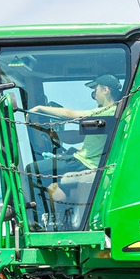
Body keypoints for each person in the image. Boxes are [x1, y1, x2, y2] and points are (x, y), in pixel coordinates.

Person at [25, 74, 120, 226]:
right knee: (51, 180)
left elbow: (73, 115)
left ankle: (38, 221)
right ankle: (60, 221)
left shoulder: (109, 111)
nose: (94, 95)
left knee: (32, 169)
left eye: (95, 90)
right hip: (83, 159)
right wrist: (51, 133)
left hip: (85, 163)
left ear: (106, 89)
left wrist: (39, 108)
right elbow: (78, 137)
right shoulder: (108, 112)